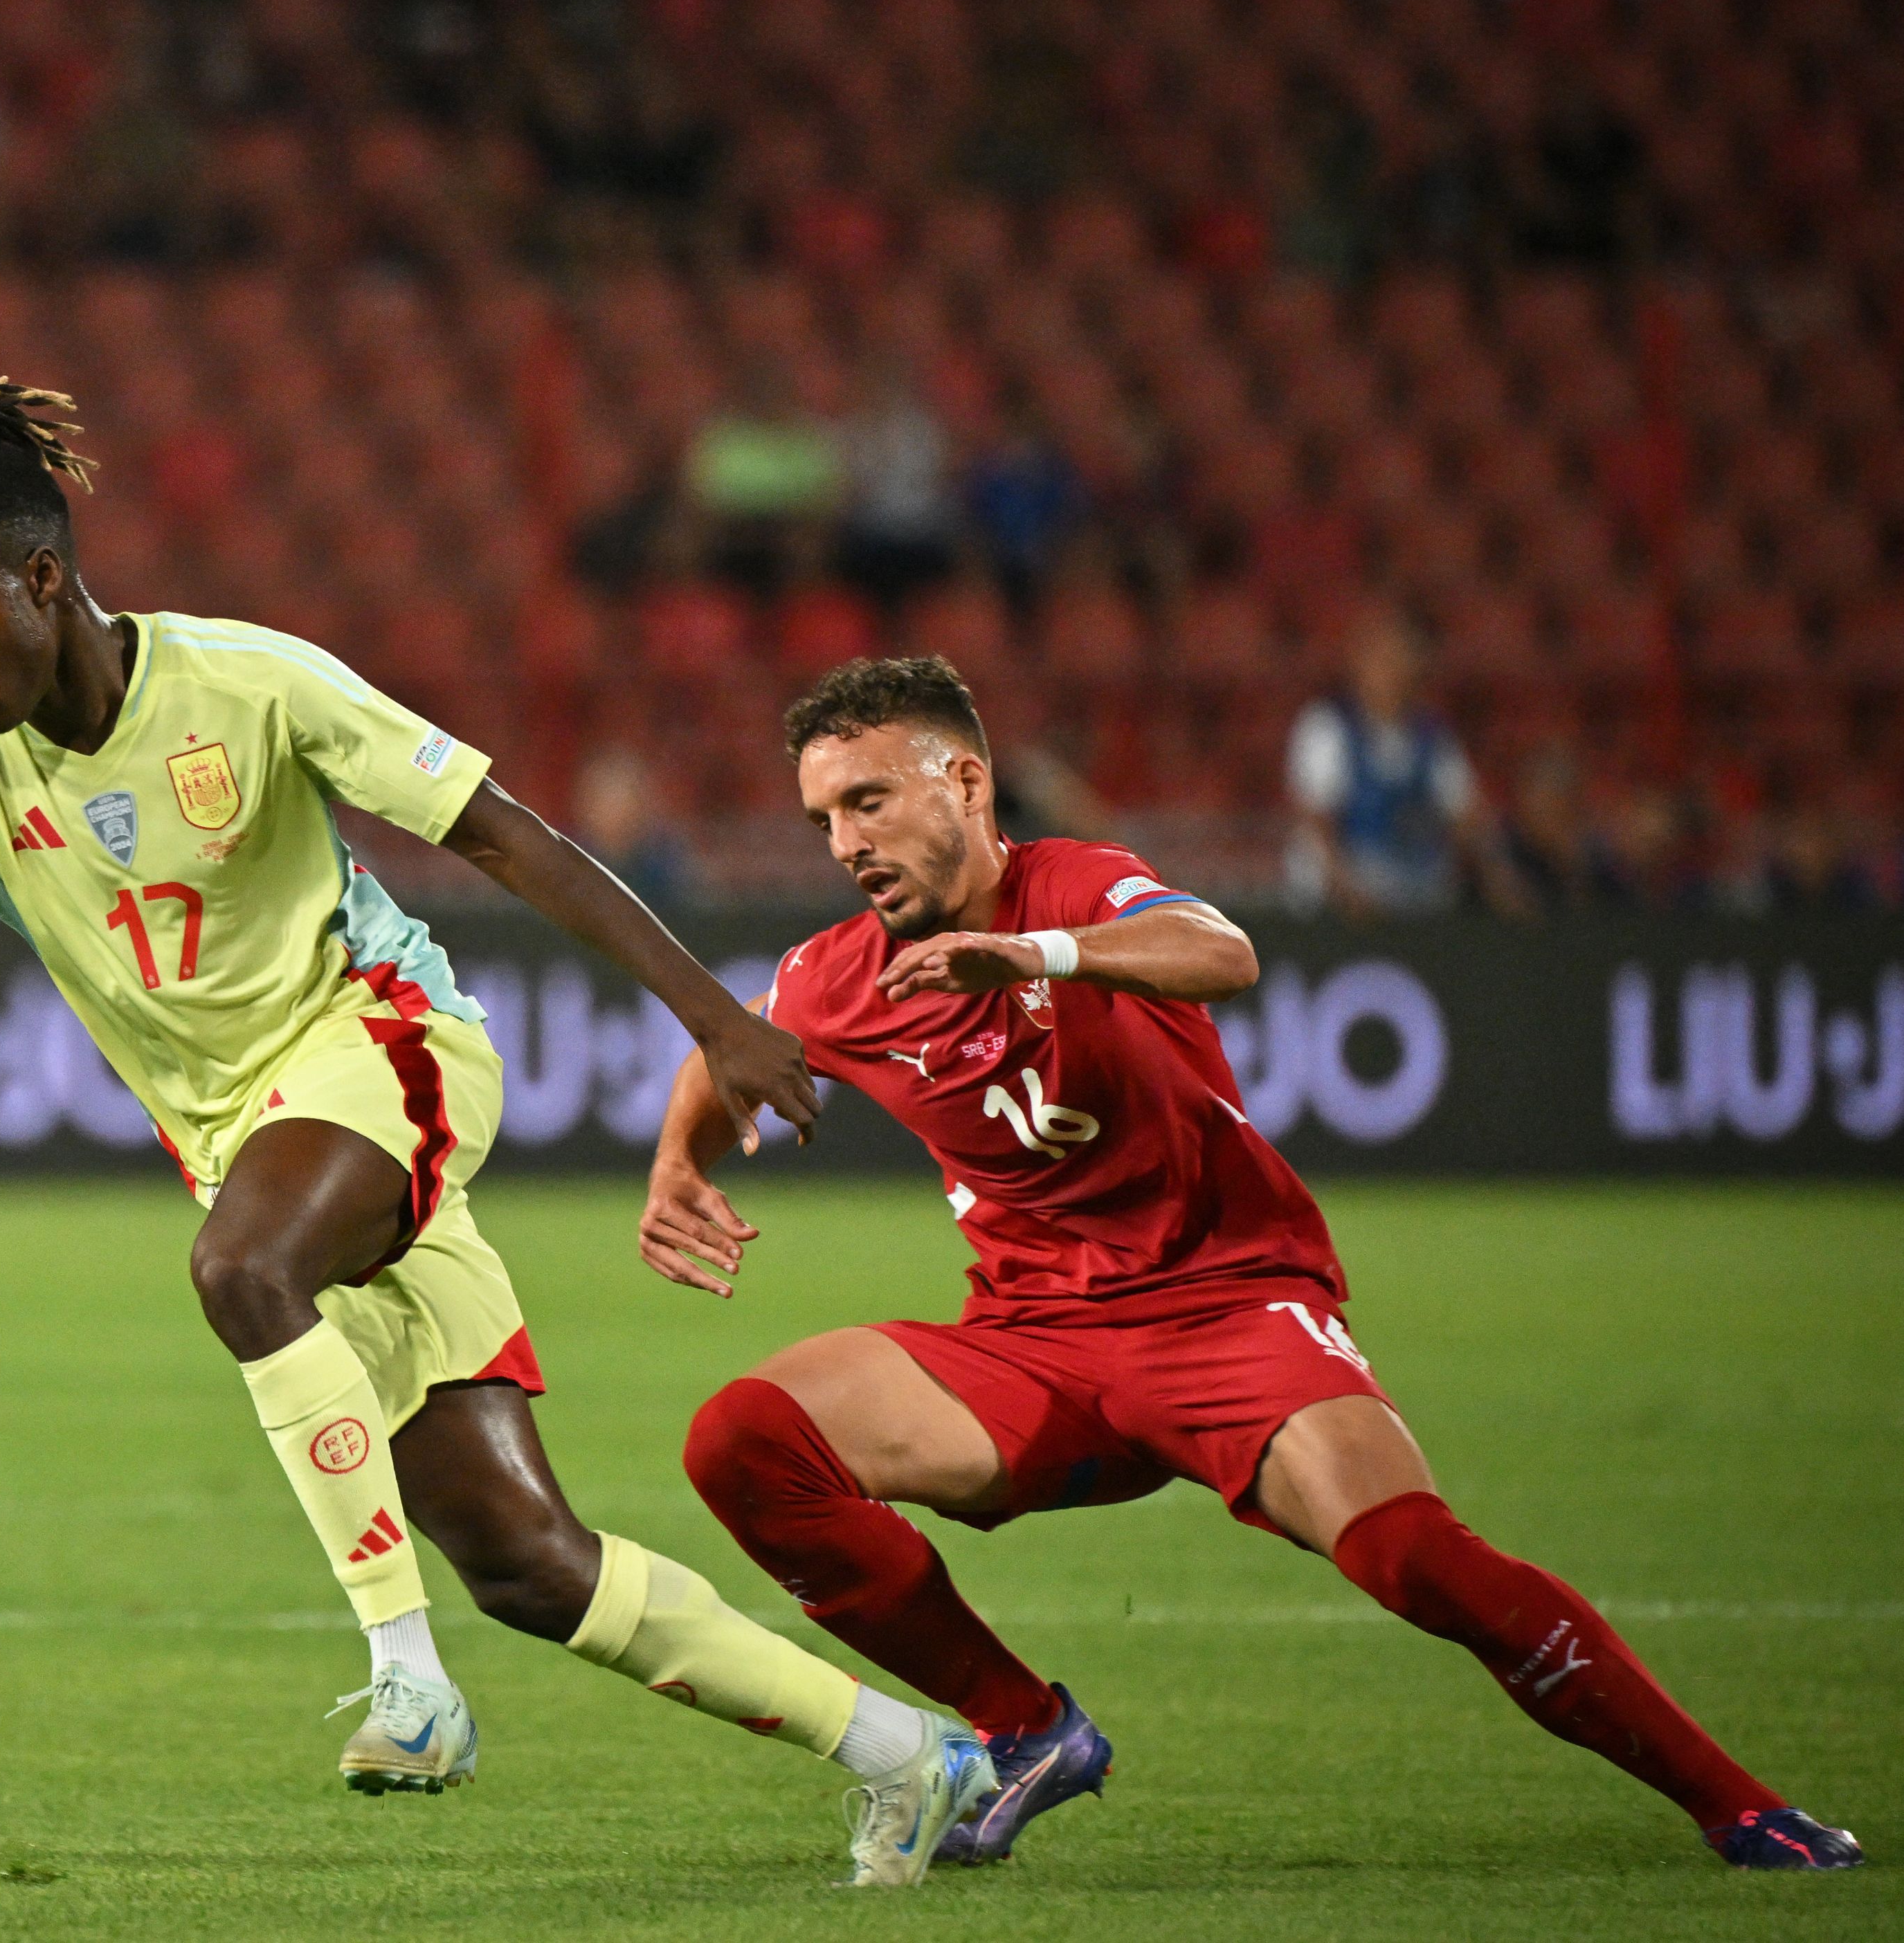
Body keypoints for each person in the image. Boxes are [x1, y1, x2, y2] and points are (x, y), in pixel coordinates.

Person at [0, 377, 992, 1883]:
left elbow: (503, 833)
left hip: (386, 1044)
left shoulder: (249, 685)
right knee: (529, 1564)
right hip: (255, 1144)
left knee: (241, 1271)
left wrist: (712, 1016)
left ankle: (407, 1683)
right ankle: (914, 1757)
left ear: (42, 579)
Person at [642, 655, 1862, 1874]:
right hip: (1034, 1343)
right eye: (823, 819)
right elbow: (730, 1046)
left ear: (964, 783)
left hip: (1226, 1309)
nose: (845, 843)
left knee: (1411, 1557)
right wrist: (675, 1167)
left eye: (867, 801)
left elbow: (1221, 949)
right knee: (744, 1443)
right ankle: (1026, 1730)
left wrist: (1038, 958)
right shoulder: (842, 973)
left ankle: (1740, 1806)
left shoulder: (1073, 885)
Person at [1284, 611, 1485, 916]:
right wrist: (1347, 890)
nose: (1393, 674)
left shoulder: (1433, 736)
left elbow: (1466, 815)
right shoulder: (1328, 726)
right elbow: (1314, 819)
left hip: (1414, 889)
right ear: (1360, 665)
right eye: (1384, 661)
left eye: (1403, 662)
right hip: (1341, 896)